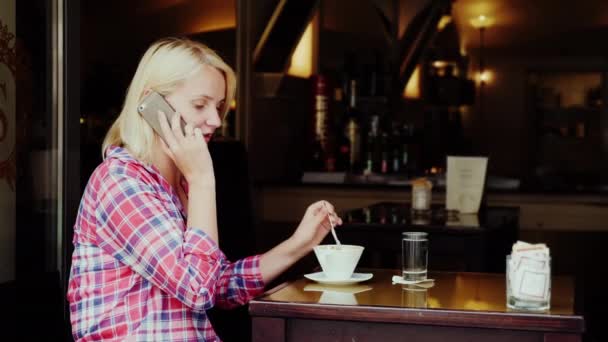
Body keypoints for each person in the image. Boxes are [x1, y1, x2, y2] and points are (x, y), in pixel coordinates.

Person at [67, 37, 342, 341]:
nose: (215, 120)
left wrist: (299, 244)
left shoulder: (178, 183)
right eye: (200, 104)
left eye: (220, 106)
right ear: (151, 104)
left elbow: (218, 284)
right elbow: (198, 289)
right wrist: (201, 181)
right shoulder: (121, 183)